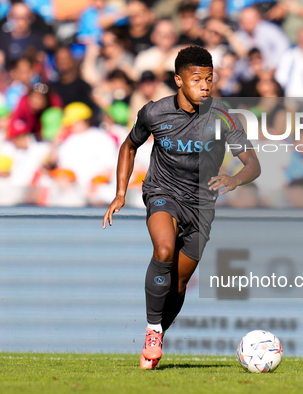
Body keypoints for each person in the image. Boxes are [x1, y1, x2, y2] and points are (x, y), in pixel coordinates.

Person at [102, 46, 260, 369]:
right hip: (163, 192)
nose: (205, 86)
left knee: (177, 284)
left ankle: (157, 333)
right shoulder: (154, 113)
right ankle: (153, 332)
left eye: (210, 79)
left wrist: (235, 179)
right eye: (197, 79)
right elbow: (129, 146)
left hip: (202, 205)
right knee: (163, 249)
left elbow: (253, 164)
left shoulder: (223, 117)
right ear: (179, 80)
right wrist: (120, 193)